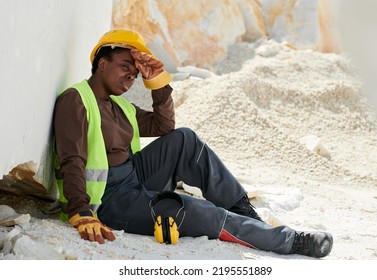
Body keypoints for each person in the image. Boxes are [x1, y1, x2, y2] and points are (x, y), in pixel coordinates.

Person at [53, 28, 333, 258]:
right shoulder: (76, 99)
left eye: (135, 74)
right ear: (102, 63)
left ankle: (244, 214)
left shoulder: (119, 107)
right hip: (111, 200)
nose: (130, 77)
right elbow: (72, 159)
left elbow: (164, 127)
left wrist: (158, 83)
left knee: (184, 139)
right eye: (125, 67)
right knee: (198, 211)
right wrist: (81, 211)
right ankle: (290, 241)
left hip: (134, 178)